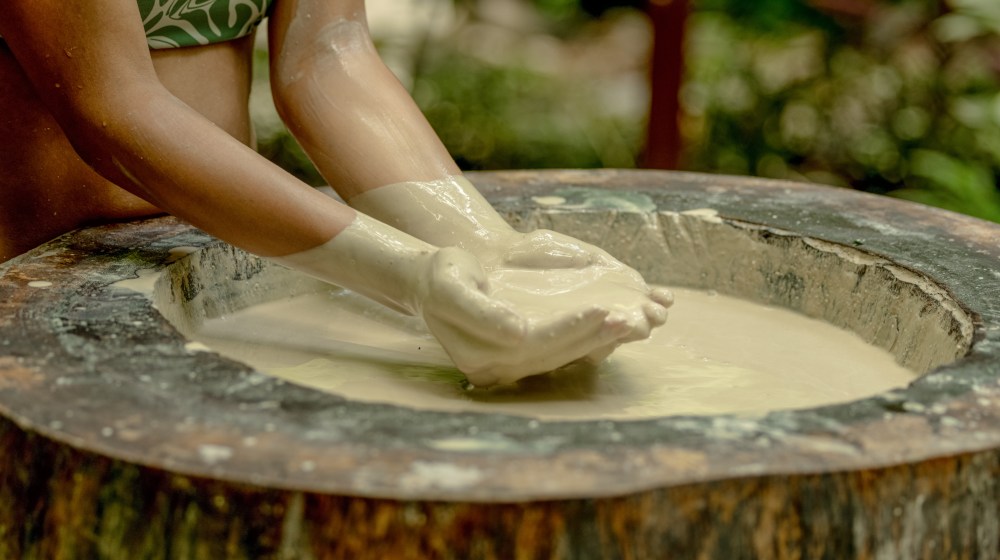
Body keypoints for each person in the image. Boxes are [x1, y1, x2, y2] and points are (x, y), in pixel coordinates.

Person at [0, 0, 673, 386]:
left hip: (202, 255)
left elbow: (327, 53)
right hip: (27, 279)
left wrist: (483, 244)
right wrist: (406, 276)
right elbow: (112, 106)